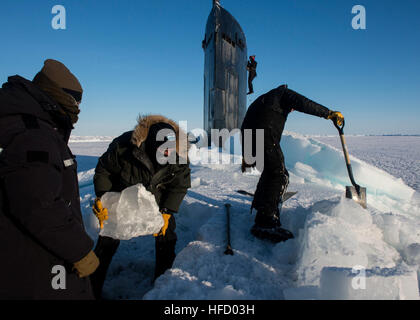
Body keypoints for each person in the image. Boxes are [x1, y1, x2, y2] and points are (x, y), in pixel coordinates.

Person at [0, 59, 99, 299]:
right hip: (35, 260)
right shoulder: (33, 135)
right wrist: (79, 250)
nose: (78, 109)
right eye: (75, 101)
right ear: (57, 96)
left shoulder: (22, 124)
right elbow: (38, 204)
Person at [90, 115, 191, 299]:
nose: (168, 153)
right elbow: (103, 169)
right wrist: (102, 197)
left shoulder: (179, 154)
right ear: (151, 145)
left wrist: (167, 211)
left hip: (158, 200)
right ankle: (91, 288)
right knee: (108, 237)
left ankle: (162, 284)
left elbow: (180, 184)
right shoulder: (125, 147)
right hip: (124, 194)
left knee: (166, 236)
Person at [241, 84, 344, 242]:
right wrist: (328, 113)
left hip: (250, 135)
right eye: (292, 108)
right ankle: (266, 222)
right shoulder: (284, 94)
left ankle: (261, 207)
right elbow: (303, 102)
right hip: (262, 133)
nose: (292, 110)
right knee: (279, 175)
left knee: (271, 171)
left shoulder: (267, 99)